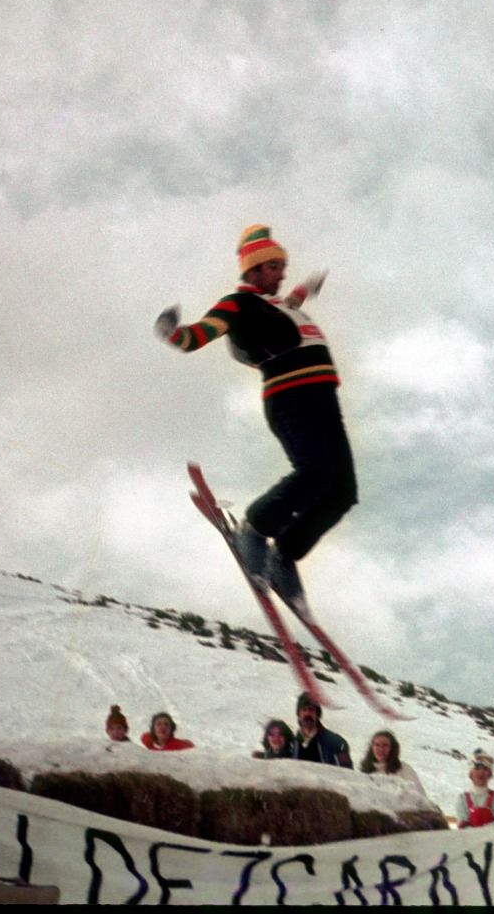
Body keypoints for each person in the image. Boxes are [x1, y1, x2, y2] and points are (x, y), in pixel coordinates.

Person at [154, 224, 354, 607]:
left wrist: (307, 287)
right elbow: (198, 336)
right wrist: (171, 332)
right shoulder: (238, 304)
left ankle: (285, 557)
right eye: (275, 266)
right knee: (314, 472)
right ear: (255, 269)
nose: (282, 274)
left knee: (343, 491)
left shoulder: (282, 305)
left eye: (283, 266)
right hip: (290, 397)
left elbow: (293, 298)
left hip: (323, 397)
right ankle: (256, 526)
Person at [293, 691, 352, 767]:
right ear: (299, 714)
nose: (307, 714)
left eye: (311, 710)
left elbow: (346, 774)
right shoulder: (292, 744)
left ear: (317, 714)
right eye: (304, 710)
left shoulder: (336, 743)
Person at [458, 749, 494, 828]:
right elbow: (462, 825)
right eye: (477, 768)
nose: (481, 772)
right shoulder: (462, 799)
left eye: (485, 769)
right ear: (471, 773)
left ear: (490, 774)